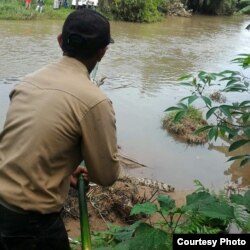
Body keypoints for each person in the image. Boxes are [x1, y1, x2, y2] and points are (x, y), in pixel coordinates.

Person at [0, 9, 120, 250]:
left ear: (59, 40)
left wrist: (63, 172)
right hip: (31, 225)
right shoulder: (95, 102)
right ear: (103, 52)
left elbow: (23, 148)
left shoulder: (27, 82)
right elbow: (106, 175)